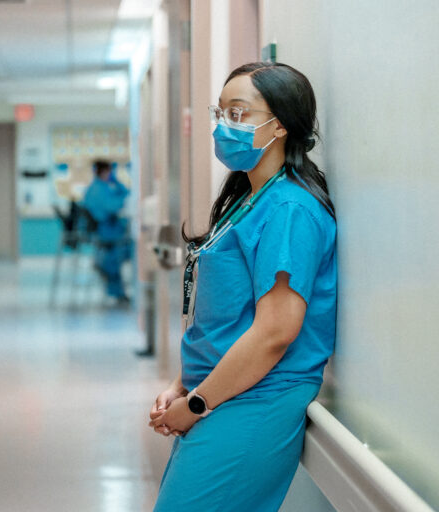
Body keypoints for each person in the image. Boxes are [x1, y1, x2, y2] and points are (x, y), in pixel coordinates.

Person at [148, 62, 337, 511]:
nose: (222, 127)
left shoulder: (289, 209)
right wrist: (181, 384)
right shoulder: (247, 200)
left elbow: (274, 333)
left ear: (282, 125)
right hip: (220, 393)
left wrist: (195, 404)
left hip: (256, 400)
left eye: (238, 114)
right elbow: (227, 317)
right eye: (221, 113)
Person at [81, 160, 131, 303]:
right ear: (105, 172)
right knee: (130, 249)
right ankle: (118, 290)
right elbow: (116, 204)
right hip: (108, 233)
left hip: (106, 232)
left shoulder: (94, 188)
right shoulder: (100, 189)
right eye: (110, 172)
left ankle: (116, 290)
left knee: (119, 252)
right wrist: (118, 184)